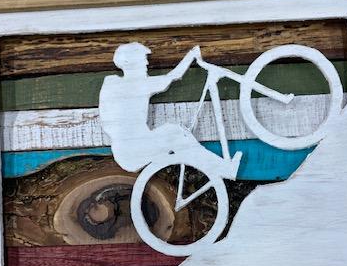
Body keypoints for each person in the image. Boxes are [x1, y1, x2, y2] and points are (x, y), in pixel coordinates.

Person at [99, 42, 241, 177]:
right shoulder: (137, 84)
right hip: (134, 150)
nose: (147, 63)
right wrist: (191, 55)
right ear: (130, 63)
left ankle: (220, 167)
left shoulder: (113, 84)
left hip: (126, 149)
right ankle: (223, 168)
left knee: (174, 132)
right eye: (142, 59)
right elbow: (174, 76)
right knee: (175, 133)